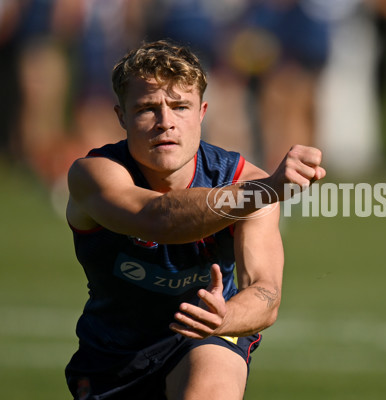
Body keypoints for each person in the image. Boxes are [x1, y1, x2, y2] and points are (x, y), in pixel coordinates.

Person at [64, 39, 325, 400]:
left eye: (180, 106)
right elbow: (156, 218)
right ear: (121, 116)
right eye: (146, 109)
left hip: (209, 337)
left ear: (202, 112)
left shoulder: (246, 182)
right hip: (114, 353)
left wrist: (225, 318)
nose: (165, 122)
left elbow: (266, 292)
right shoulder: (94, 175)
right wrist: (265, 190)